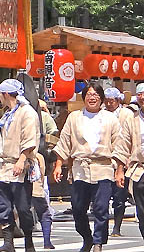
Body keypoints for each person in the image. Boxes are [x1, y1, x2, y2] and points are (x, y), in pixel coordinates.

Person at [52, 83, 120, 252]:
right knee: (78, 208)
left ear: (101, 99)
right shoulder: (74, 117)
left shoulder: (110, 118)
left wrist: (119, 169)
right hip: (80, 169)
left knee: (101, 208)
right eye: (89, 94)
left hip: (102, 167)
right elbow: (64, 141)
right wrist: (59, 164)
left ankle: (98, 242)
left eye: (96, 95)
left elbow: (119, 145)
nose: (92, 97)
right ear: (84, 98)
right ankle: (87, 237)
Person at [0, 78, 40, 252]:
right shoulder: (7, 114)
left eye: (0, 94)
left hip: (20, 165)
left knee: (23, 207)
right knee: (4, 206)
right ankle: (8, 243)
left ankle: (29, 241)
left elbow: (30, 139)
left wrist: (22, 160)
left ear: (5, 94)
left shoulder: (27, 112)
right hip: (4, 166)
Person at [112, 81, 144, 241]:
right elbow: (123, 145)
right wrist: (119, 170)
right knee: (142, 212)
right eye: (140, 94)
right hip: (140, 171)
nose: (143, 97)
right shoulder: (132, 119)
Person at [104, 87, 130, 236]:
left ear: (118, 100)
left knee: (120, 196)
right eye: (106, 101)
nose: (108, 104)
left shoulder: (126, 114)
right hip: (106, 158)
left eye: (111, 101)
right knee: (103, 196)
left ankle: (117, 227)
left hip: (121, 158)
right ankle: (104, 226)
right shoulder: (101, 113)